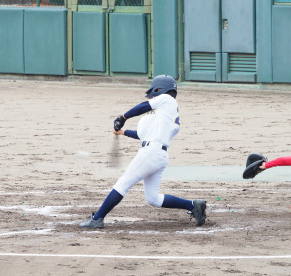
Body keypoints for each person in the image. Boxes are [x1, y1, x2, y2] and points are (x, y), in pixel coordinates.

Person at [80, 75, 207, 229]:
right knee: (153, 198)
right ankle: (193, 205)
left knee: (122, 184)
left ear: (160, 89)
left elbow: (144, 106)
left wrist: (123, 117)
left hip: (151, 153)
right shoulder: (163, 115)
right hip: (159, 155)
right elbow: (142, 135)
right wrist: (123, 132)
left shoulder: (168, 100)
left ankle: (97, 219)